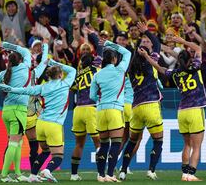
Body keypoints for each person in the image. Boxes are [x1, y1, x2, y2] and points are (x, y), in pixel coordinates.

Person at [0, 41, 47, 182]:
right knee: (14, 143)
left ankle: (18, 174)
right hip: (18, 111)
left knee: (17, 143)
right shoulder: (26, 69)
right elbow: (25, 51)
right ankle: (4, 175)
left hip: (6, 111)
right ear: (21, 60)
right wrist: (6, 44)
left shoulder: (5, 73)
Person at [140, 35, 206, 181]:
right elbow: (198, 48)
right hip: (196, 108)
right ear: (190, 58)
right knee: (197, 146)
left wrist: (146, 56)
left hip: (182, 111)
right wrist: (181, 41)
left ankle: (184, 173)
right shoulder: (196, 66)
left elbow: (159, 67)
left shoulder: (175, 73)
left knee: (187, 144)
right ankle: (191, 174)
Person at [0, 59, 77, 183]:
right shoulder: (65, 84)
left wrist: (9, 88)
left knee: (45, 151)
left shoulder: (42, 87)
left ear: (49, 76)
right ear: (60, 75)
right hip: (54, 125)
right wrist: (53, 62)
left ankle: (33, 175)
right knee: (58, 156)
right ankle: (48, 170)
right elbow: (72, 70)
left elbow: (25, 91)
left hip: (40, 124)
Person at [120, 22, 163, 181]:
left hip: (136, 107)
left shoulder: (131, 68)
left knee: (132, 141)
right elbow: (157, 43)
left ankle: (123, 170)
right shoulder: (152, 59)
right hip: (151, 104)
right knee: (158, 141)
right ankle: (151, 170)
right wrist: (147, 31)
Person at [89, 40, 131, 182]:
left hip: (100, 111)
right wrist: (108, 43)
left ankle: (101, 175)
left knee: (104, 144)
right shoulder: (120, 70)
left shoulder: (97, 75)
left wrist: (101, 101)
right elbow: (127, 52)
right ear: (114, 59)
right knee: (116, 143)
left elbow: (91, 96)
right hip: (114, 110)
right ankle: (111, 174)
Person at [70, 48, 102, 181]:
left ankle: (74, 175)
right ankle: (101, 174)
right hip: (91, 108)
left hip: (78, 110)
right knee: (99, 144)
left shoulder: (77, 74)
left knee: (79, 144)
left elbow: (72, 88)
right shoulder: (96, 71)